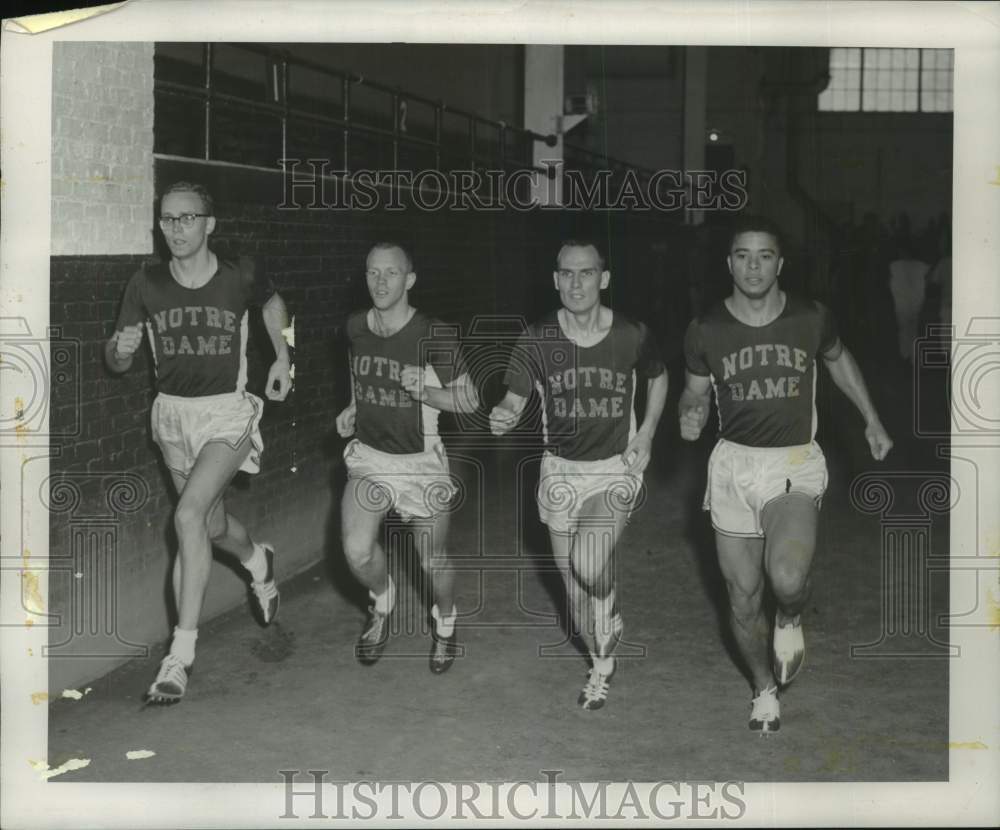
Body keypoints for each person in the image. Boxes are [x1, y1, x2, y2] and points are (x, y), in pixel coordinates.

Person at [679, 215, 893, 733]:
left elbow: (839, 361)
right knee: (743, 596)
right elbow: (695, 390)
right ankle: (763, 688)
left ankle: (792, 615)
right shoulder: (706, 328)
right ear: (728, 262)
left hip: (793, 462)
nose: (754, 266)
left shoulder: (810, 317)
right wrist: (690, 412)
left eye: (765, 255)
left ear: (781, 263)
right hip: (733, 466)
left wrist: (871, 418)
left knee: (788, 578)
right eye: (743, 255)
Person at [106, 181, 292, 704]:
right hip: (172, 417)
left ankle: (180, 655)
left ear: (210, 224)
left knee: (187, 517)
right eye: (167, 220)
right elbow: (116, 360)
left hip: (226, 413)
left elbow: (273, 303)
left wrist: (281, 356)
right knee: (208, 525)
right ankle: (258, 561)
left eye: (187, 219)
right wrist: (119, 350)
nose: (176, 229)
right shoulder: (145, 283)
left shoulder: (239, 274)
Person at [490, 240, 668, 710]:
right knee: (572, 593)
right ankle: (601, 665)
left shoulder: (631, 333)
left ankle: (609, 606)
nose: (575, 283)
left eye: (586, 273)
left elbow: (658, 375)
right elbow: (514, 398)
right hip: (560, 471)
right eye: (566, 273)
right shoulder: (537, 339)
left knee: (589, 566)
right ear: (555, 279)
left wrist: (646, 432)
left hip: (613, 470)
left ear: (603, 279)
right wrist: (504, 414)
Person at [335, 242, 478, 673]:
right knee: (357, 551)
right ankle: (383, 601)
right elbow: (360, 373)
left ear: (409, 280)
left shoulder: (434, 334)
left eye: (391, 273)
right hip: (371, 458)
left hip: (421, 461)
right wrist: (354, 407)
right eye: (373, 272)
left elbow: (470, 399)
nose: (380, 282)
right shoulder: (356, 326)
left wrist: (428, 392)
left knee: (431, 559)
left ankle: (446, 624)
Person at [887, 237, 931, 362]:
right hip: (916, 303)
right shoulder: (921, 265)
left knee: (903, 330)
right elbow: (928, 278)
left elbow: (889, 282)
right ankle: (913, 356)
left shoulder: (894, 265)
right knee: (914, 329)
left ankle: (905, 355)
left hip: (901, 303)